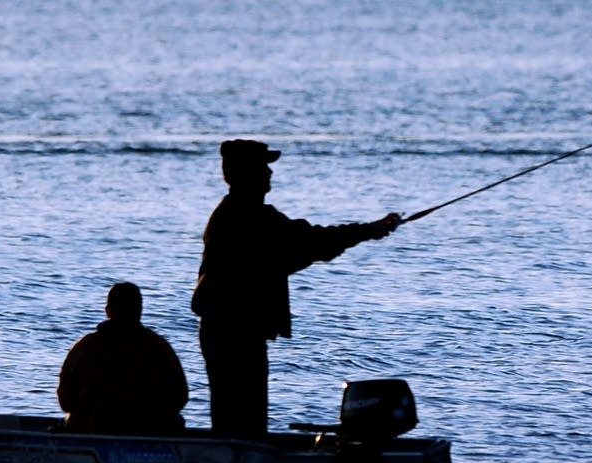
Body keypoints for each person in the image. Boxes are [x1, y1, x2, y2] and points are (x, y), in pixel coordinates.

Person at [192, 139, 400, 439]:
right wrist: (369, 230)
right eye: (263, 166)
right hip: (232, 332)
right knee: (239, 421)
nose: (269, 173)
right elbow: (311, 242)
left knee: (238, 419)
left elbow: (305, 246)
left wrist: (367, 231)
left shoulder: (245, 213)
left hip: (232, 330)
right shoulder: (247, 217)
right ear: (246, 172)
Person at [58, 282, 188, 435]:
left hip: (94, 429)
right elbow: (180, 396)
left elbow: (66, 401)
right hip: (149, 431)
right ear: (139, 310)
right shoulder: (159, 347)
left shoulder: (84, 347)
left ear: (107, 311)